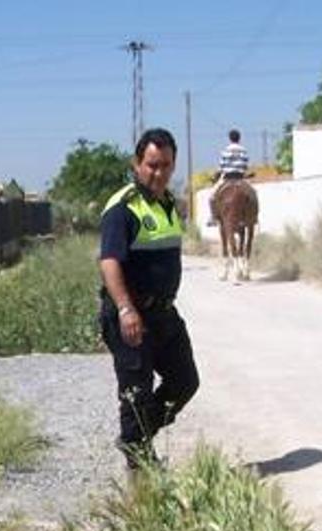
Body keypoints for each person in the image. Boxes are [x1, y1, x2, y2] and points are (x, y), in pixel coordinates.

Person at [99, 127, 199, 468]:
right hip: (132, 316)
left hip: (164, 316)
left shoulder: (168, 203)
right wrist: (126, 309)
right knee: (136, 394)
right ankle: (139, 470)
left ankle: (134, 440)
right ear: (137, 164)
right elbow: (109, 261)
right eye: (152, 165)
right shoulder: (123, 207)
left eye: (166, 166)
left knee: (185, 381)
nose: (159, 173)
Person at [208, 129, 249, 225]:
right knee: (252, 195)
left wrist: (217, 174)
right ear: (239, 138)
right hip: (240, 178)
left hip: (227, 178)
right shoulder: (243, 150)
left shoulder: (226, 150)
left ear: (230, 139)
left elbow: (221, 166)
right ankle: (249, 217)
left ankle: (213, 217)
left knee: (211, 197)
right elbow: (245, 165)